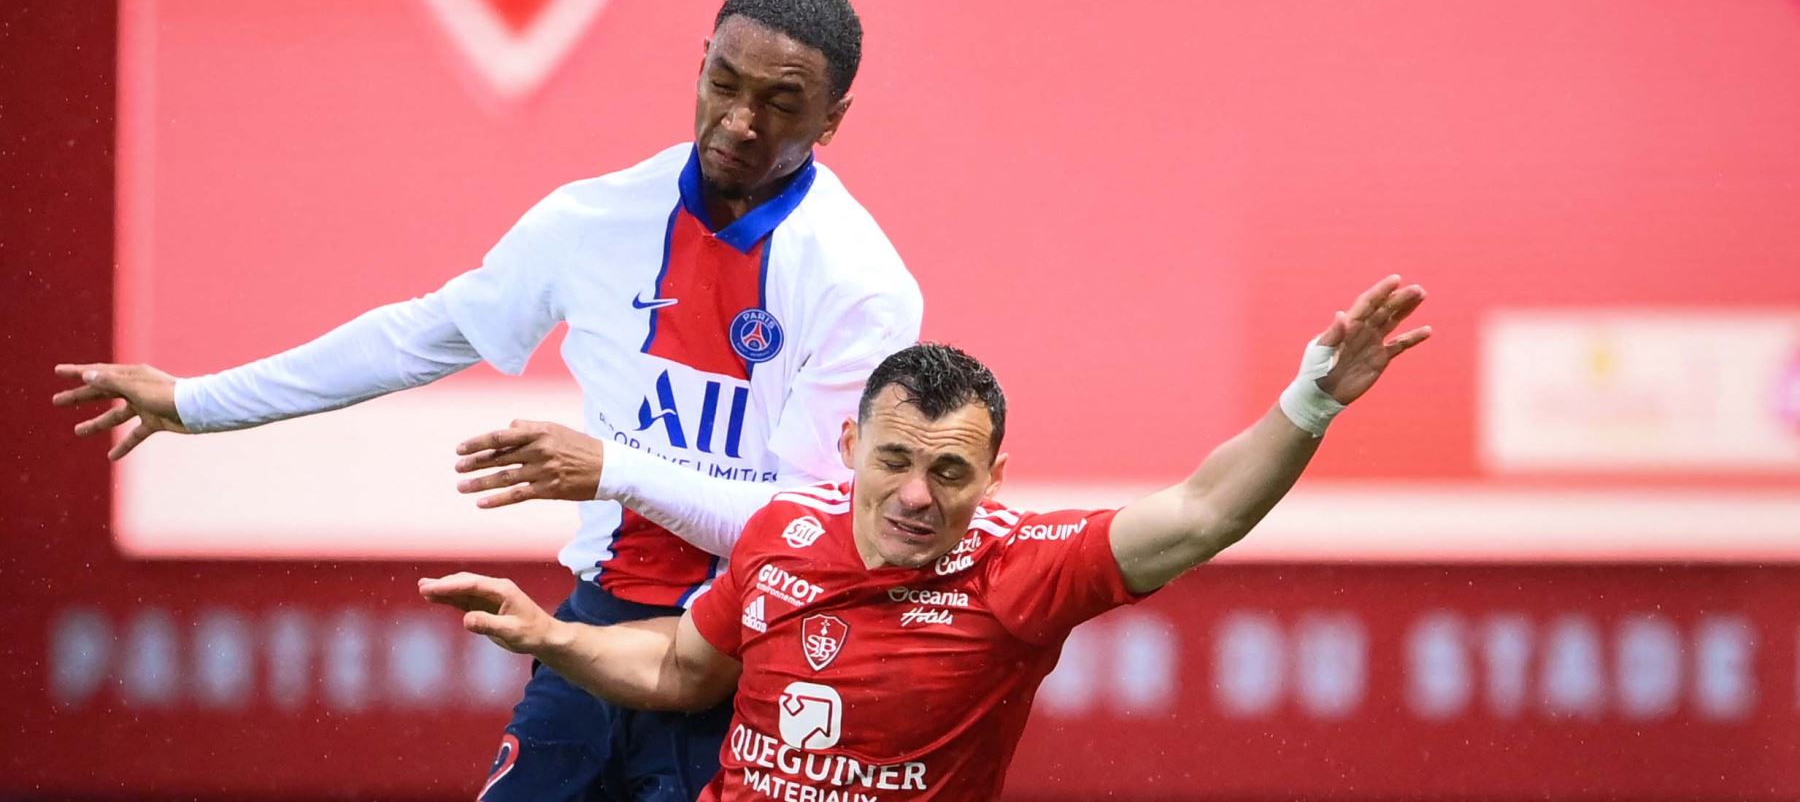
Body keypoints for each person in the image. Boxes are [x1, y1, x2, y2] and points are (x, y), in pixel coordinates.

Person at [52, 0, 924, 802]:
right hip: (596, 635)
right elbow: (420, 335)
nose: (738, 120)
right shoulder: (596, 219)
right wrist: (196, 403)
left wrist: (612, 469)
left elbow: (798, 531)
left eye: (780, 104)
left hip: (749, 658)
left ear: (833, 118)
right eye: (723, 83)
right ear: (699, 62)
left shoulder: (861, 285)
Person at [421, 276, 1431, 802]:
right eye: (895, 460)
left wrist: (1310, 400)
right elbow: (686, 668)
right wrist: (550, 637)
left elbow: (1205, 511)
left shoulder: (1022, 572)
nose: (915, 495)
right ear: (851, 445)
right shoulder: (782, 532)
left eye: (950, 471)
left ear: (994, 475)